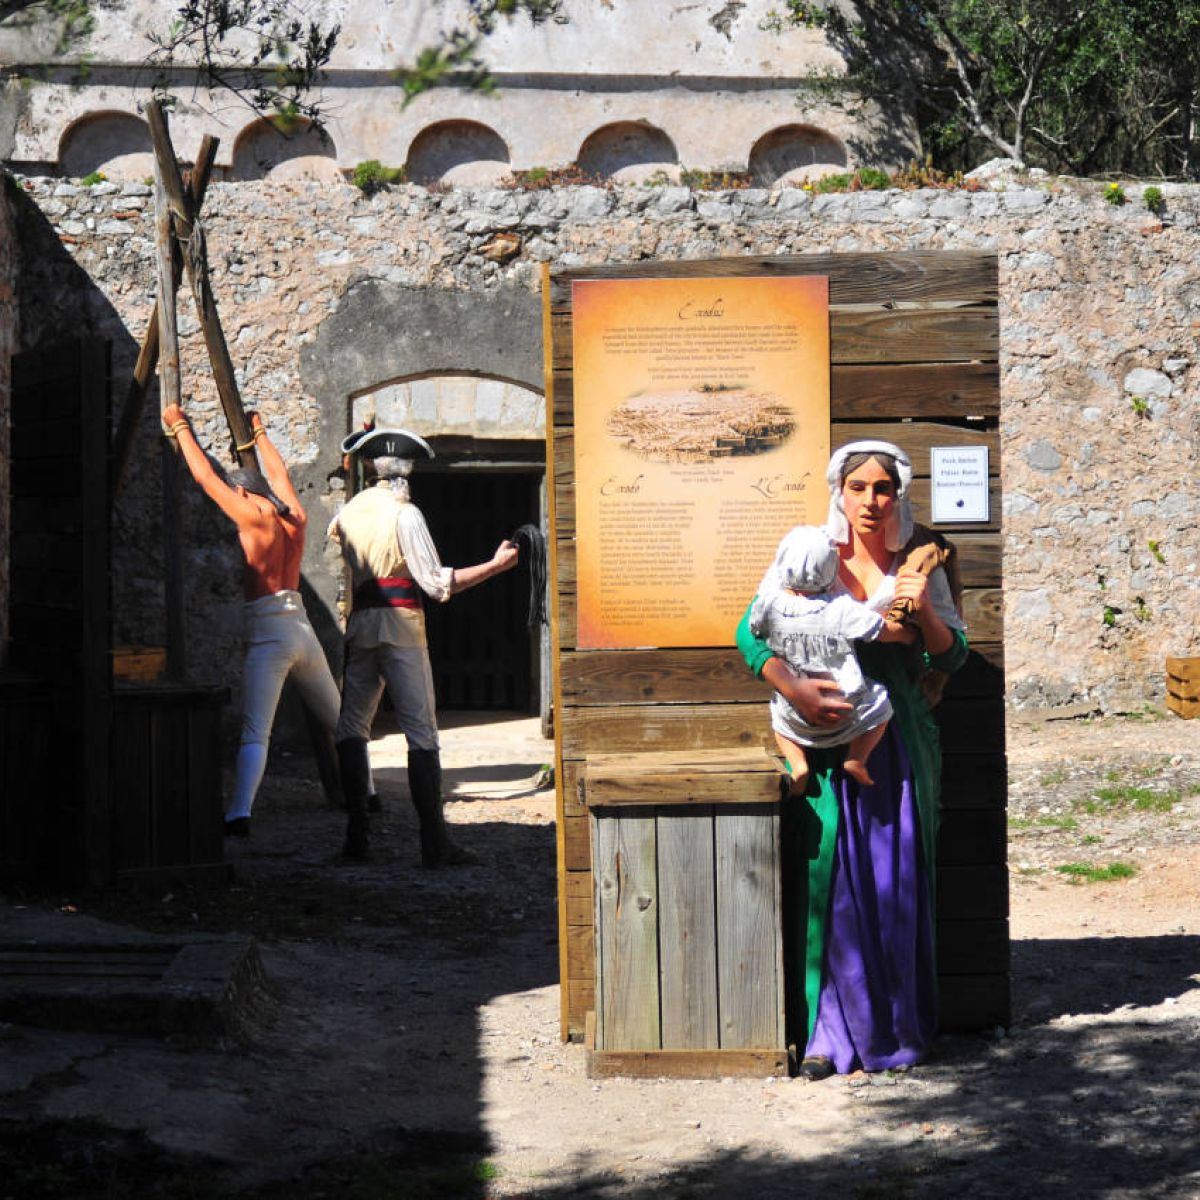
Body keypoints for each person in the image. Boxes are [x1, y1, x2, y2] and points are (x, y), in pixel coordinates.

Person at [736, 439, 967, 1079]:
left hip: (895, 742)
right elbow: (750, 633)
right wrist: (794, 690)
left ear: (899, 493)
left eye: (883, 488)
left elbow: (951, 655)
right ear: (839, 490)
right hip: (818, 738)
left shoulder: (918, 560)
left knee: (893, 880)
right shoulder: (808, 552)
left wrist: (924, 610)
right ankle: (826, 1035)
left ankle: (896, 1029)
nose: (870, 501)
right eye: (858, 487)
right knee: (830, 878)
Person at [328, 427, 519, 866]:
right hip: (402, 628)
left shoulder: (349, 511)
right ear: (405, 474)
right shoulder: (406, 514)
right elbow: (436, 584)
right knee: (421, 732)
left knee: (351, 728)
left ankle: (357, 838)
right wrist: (496, 566)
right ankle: (434, 843)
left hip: (361, 626)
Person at [162, 402, 343, 838]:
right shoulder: (292, 516)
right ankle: (368, 792)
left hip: (270, 635)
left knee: (255, 732)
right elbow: (279, 475)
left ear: (242, 493)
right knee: (341, 721)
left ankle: (240, 812)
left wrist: (179, 425)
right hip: (303, 629)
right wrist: (259, 430)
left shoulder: (250, 515)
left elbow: (206, 479)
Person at [749, 524, 917, 790]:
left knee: (777, 718)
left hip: (795, 712)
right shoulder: (841, 609)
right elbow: (881, 631)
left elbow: (754, 627)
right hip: (846, 706)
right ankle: (857, 757)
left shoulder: (769, 604)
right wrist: (907, 635)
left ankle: (798, 763)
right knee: (881, 702)